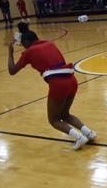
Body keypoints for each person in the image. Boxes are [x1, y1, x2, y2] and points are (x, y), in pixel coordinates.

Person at [8, 22, 96, 150]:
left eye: (23, 43)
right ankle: (89, 133)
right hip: (72, 80)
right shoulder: (50, 43)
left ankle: (79, 137)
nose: (22, 46)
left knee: (53, 120)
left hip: (58, 84)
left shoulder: (28, 52)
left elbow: (12, 71)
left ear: (27, 41)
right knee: (65, 114)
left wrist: (10, 52)